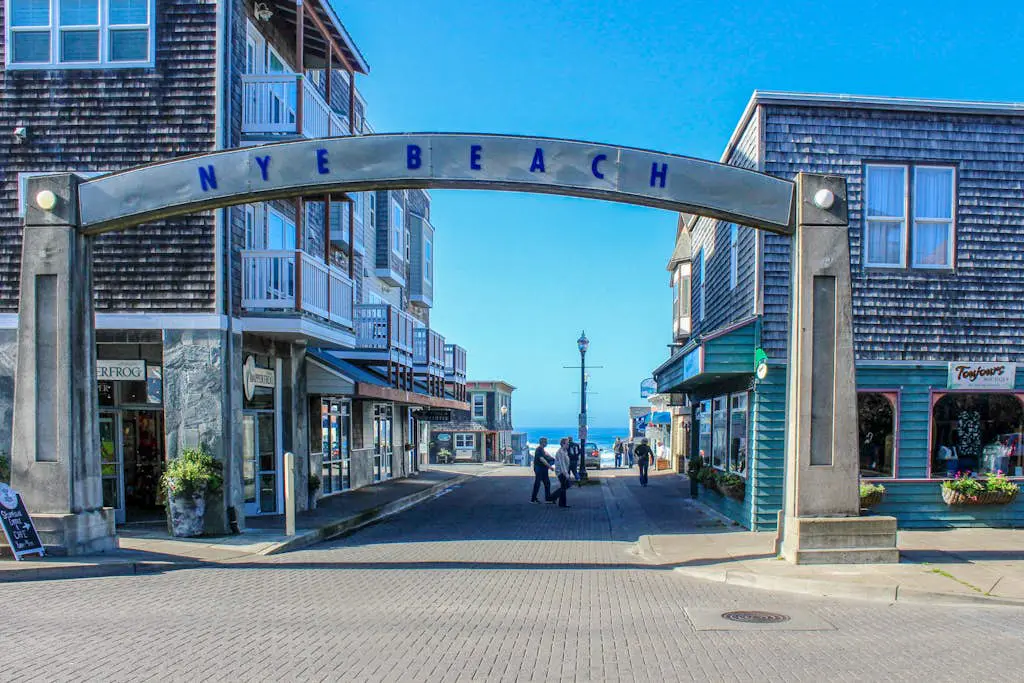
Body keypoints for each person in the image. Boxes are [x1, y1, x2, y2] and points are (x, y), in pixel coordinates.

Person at [547, 438, 573, 508]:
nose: (568, 445)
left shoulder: (565, 451)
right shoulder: (560, 452)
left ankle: (559, 502)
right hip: (561, 472)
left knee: (564, 487)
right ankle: (552, 498)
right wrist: (566, 474)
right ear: (563, 444)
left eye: (568, 443)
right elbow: (562, 464)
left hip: (564, 471)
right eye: (567, 443)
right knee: (565, 486)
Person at [530, 438, 555, 503]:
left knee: (547, 483)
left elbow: (545, 455)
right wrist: (550, 467)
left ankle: (547, 498)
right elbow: (542, 459)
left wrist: (549, 457)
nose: (547, 443)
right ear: (543, 443)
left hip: (543, 468)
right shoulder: (539, 449)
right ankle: (534, 499)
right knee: (538, 483)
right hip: (539, 468)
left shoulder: (542, 449)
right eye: (546, 442)